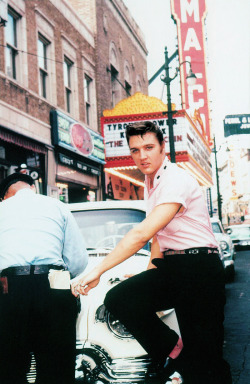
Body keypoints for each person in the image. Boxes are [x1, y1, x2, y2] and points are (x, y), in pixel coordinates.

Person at [72, 121, 232, 384]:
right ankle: (175, 350)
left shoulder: (176, 179)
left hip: (199, 268)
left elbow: (142, 234)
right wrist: (146, 275)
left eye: (148, 147)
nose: (142, 156)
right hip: (173, 268)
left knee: (208, 357)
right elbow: (159, 238)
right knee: (120, 298)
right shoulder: (151, 181)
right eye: (135, 150)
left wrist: (97, 271)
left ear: (162, 147)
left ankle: (190, 361)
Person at [0, 173, 88, 384]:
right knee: (56, 367)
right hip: (53, 286)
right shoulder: (56, 206)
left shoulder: (1, 209)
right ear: (33, 188)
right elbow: (78, 260)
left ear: (5, 196)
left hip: (9, 289)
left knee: (9, 367)